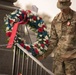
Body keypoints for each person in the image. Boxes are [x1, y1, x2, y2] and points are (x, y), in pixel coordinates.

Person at [38, 0, 76, 75]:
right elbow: (53, 40)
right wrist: (44, 54)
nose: (62, 9)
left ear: (69, 4)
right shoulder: (56, 20)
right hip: (58, 61)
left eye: (64, 7)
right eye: (60, 7)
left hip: (72, 61)